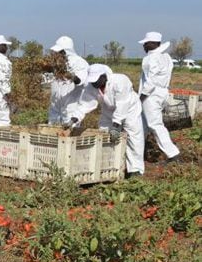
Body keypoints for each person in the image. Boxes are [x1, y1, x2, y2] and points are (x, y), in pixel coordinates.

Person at [66, 64, 145, 177]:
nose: (95, 83)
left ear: (104, 76)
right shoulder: (91, 86)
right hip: (108, 111)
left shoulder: (120, 81)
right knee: (104, 135)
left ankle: (136, 169)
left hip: (129, 110)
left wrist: (116, 125)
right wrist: (74, 118)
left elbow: (122, 104)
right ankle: (108, 165)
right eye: (93, 81)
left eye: (97, 79)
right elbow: (85, 103)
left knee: (134, 137)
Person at [138, 32, 180, 162]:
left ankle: (173, 155)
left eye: (146, 43)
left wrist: (141, 98)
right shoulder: (166, 57)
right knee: (142, 125)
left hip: (151, 95)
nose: (144, 46)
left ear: (153, 44)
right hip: (162, 92)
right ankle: (139, 151)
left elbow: (151, 81)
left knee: (155, 124)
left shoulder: (151, 59)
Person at [47, 36, 89, 125]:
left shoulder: (80, 63)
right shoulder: (57, 63)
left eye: (60, 51)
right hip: (55, 107)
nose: (57, 53)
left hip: (71, 108)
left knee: (69, 135)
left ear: (66, 51)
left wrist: (68, 75)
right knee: (52, 133)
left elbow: (79, 80)